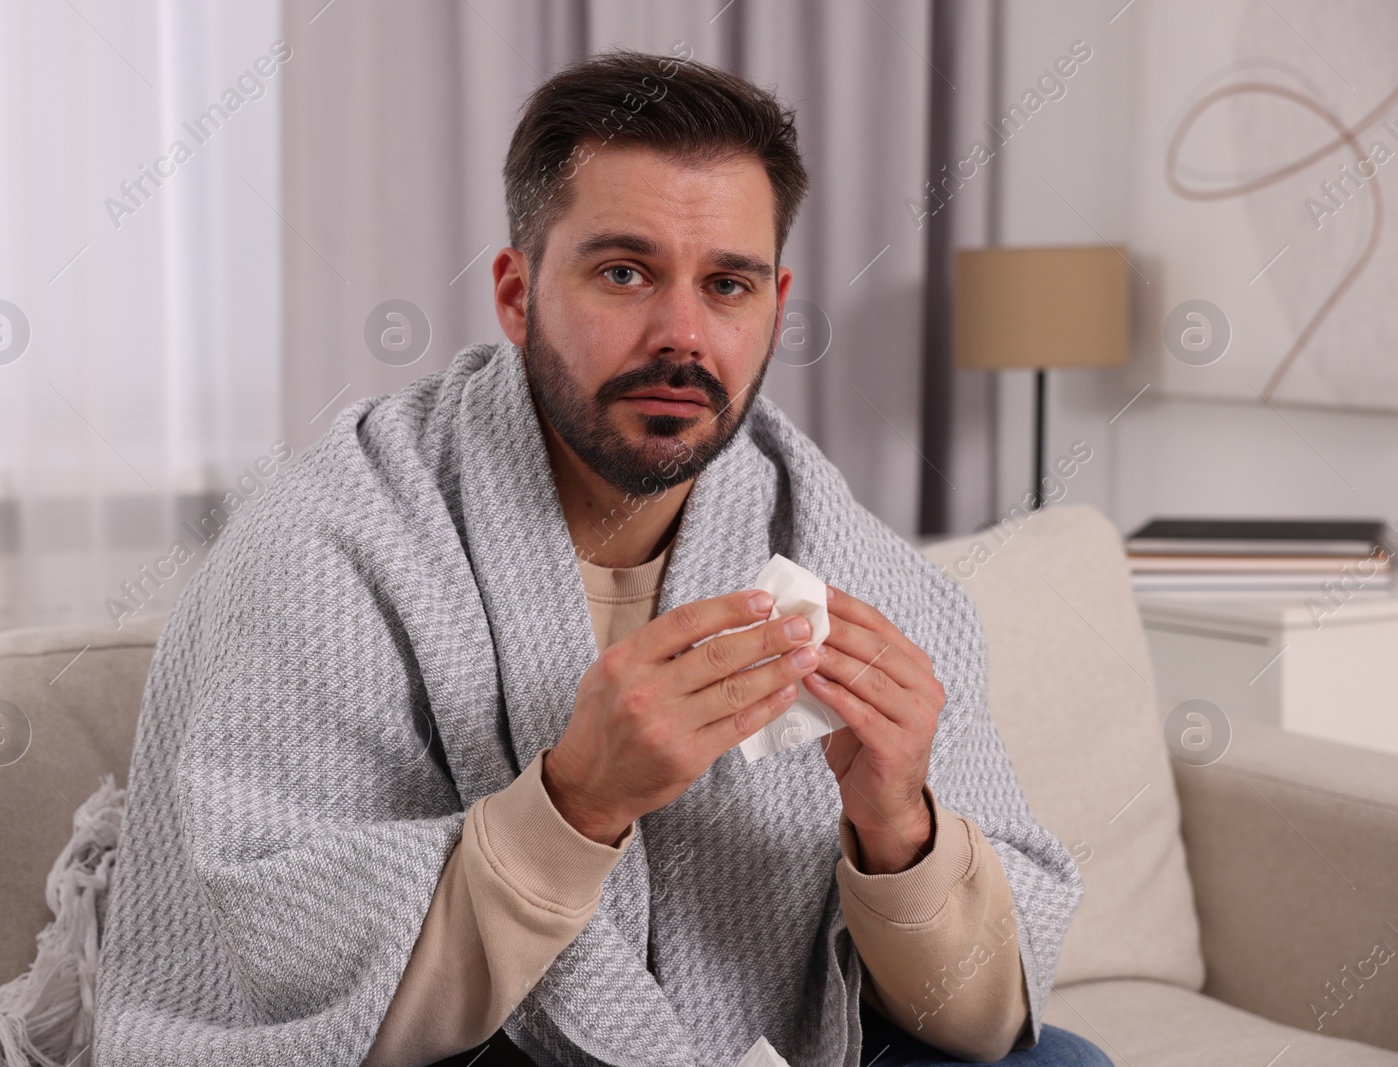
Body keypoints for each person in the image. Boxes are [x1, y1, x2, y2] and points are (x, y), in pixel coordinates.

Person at [94, 50, 1107, 1067]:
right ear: (515, 289)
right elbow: (282, 981)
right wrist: (578, 800)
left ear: (775, 305)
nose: (682, 334)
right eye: (624, 272)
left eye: (727, 285)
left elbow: (978, 1020)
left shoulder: (859, 568)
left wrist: (897, 824)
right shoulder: (326, 545)